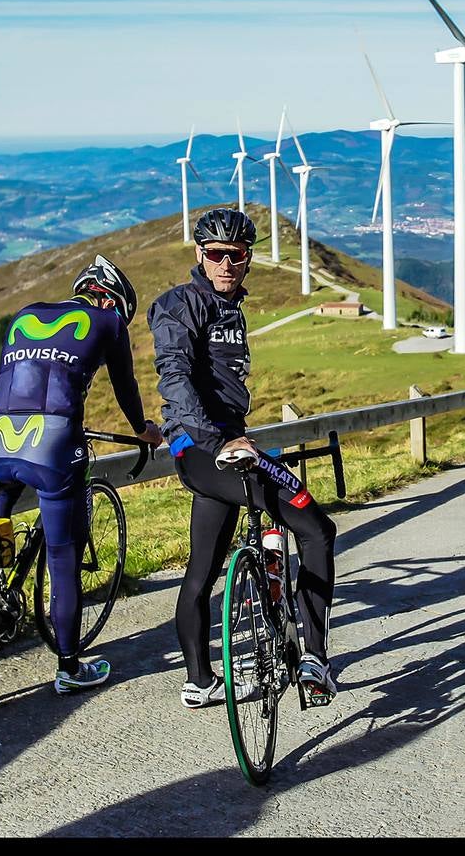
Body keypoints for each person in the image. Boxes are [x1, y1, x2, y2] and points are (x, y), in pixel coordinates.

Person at [149, 207, 340, 709]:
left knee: (203, 569)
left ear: (249, 258)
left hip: (218, 447)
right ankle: (315, 657)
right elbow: (175, 375)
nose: (225, 263)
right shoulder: (180, 304)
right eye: (215, 254)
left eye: (235, 255)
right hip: (207, 449)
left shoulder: (231, 307)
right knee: (318, 530)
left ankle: (200, 681)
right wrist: (219, 441)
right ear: (200, 254)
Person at [0, 254, 164, 694]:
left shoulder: (27, 313)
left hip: (0, 431)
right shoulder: (108, 323)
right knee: (63, 554)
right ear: (113, 300)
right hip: (54, 439)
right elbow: (126, 387)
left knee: (0, 508)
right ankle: (69, 665)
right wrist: (144, 431)